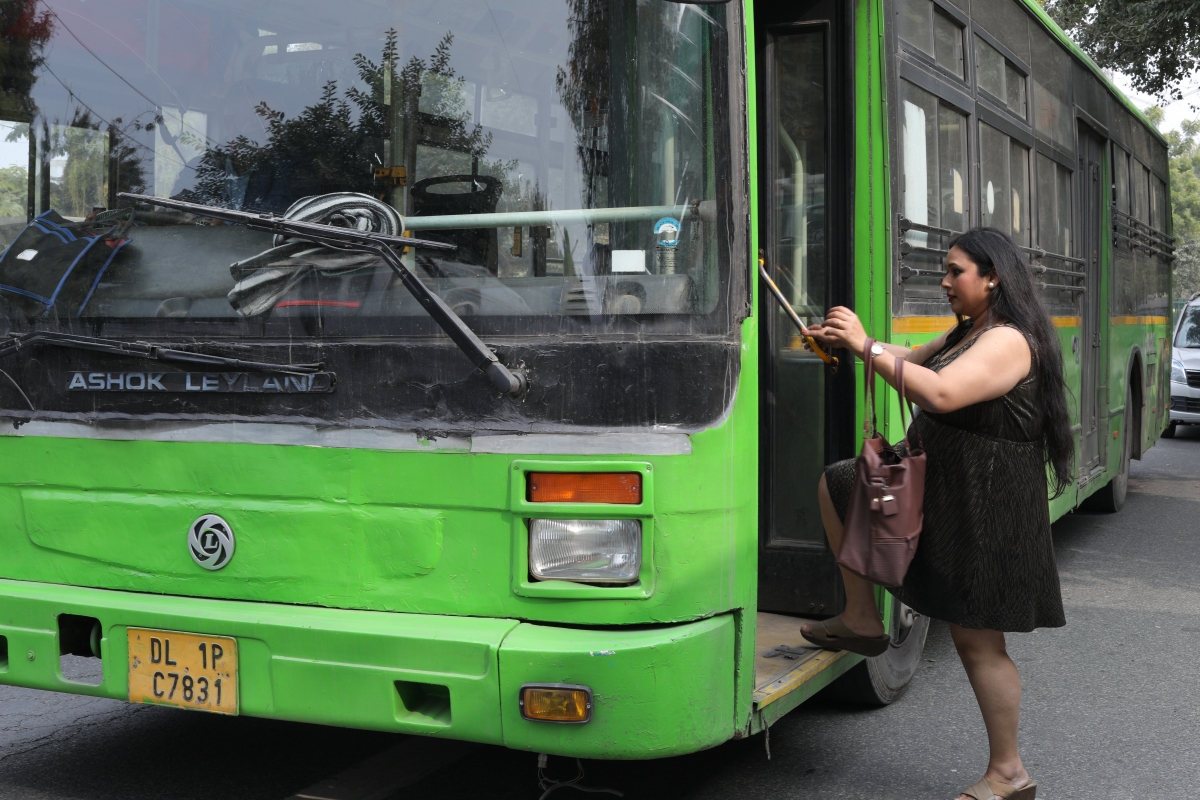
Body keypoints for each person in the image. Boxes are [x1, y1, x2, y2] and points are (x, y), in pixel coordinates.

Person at [802, 227, 1073, 800]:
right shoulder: (969, 330)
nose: (945, 283)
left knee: (979, 642)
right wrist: (853, 342)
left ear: (992, 276)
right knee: (842, 483)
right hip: (944, 491)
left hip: (987, 505)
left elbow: (941, 394)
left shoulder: (1008, 340)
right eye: (945, 272)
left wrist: (866, 347)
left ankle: (1009, 774)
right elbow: (909, 361)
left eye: (955, 272)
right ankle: (861, 618)